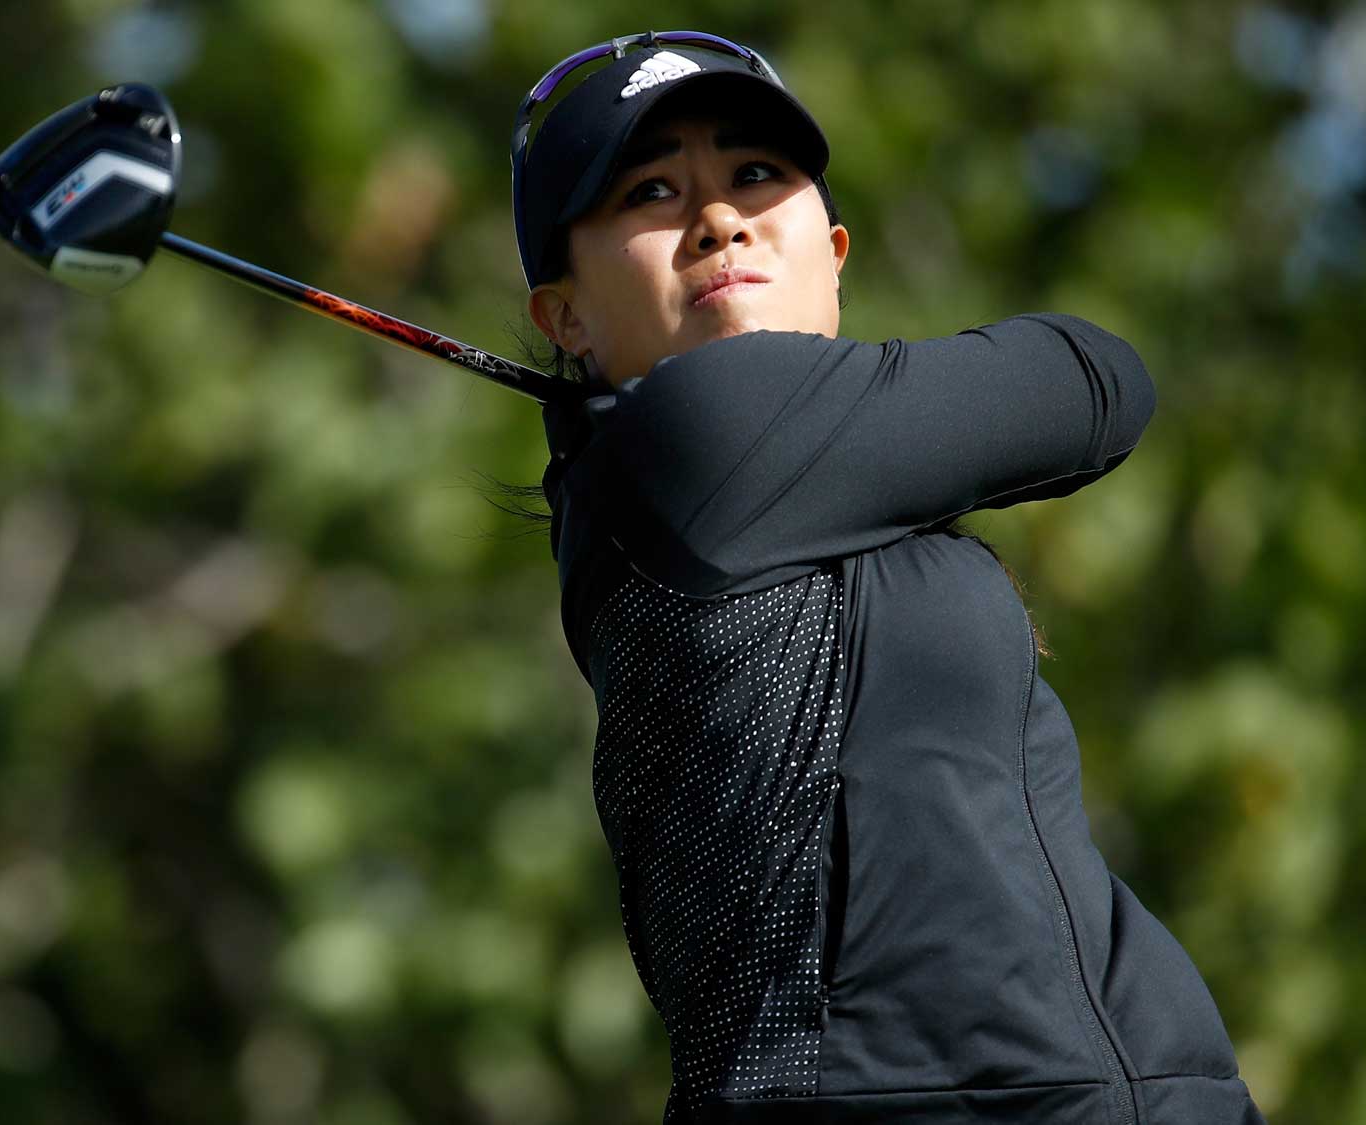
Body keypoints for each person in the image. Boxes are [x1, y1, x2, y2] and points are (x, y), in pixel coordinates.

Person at [512, 32, 1268, 1124]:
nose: (717, 217)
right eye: (650, 191)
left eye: (754, 176)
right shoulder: (686, 437)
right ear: (565, 315)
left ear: (834, 246)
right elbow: (1091, 379)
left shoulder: (753, 481)